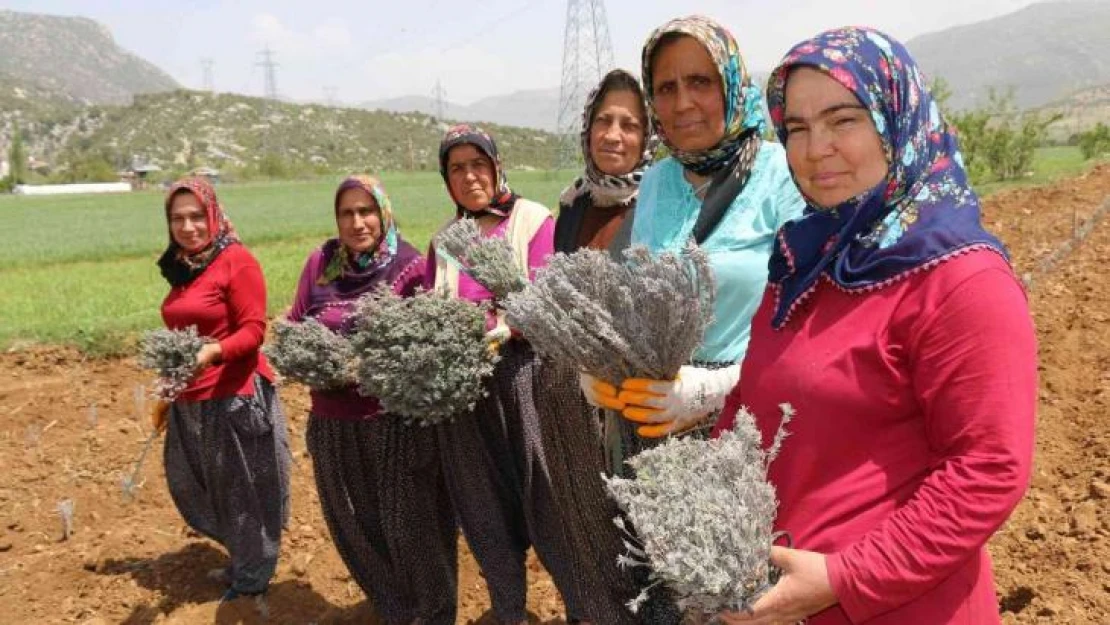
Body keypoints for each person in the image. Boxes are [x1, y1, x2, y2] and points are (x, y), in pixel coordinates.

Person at [713, 27, 1037, 625]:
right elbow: (751, 406)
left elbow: (988, 469)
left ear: (897, 121)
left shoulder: (960, 279)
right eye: (798, 129)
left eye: (844, 120)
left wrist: (843, 578)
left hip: (901, 605)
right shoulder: (804, 264)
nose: (816, 149)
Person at [576, 15, 806, 623]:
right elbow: (629, 290)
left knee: (742, 599)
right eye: (667, 87)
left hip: (746, 435)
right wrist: (600, 365)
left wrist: (716, 388)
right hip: (646, 435)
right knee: (662, 595)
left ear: (731, 85)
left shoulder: (782, 176)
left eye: (699, 82)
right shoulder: (655, 181)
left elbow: (811, 319)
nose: (682, 103)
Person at [426, 124, 586, 625]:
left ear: (496, 167)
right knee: (482, 505)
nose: (470, 176)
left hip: (525, 381)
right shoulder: (445, 241)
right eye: (457, 168)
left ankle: (582, 608)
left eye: (479, 164)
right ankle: (508, 609)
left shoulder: (532, 220)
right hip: (465, 390)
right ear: (446, 179)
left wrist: (494, 326)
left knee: (549, 500)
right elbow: (433, 306)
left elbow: (539, 299)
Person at [286, 175, 457, 625]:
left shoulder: (411, 266)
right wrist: (310, 361)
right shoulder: (321, 263)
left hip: (392, 424)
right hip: (332, 422)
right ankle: (396, 610)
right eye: (347, 213)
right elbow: (295, 323)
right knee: (355, 525)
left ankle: (435, 613)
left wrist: (368, 367)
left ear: (383, 212)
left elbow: (426, 345)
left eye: (366, 211)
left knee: (412, 528)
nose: (358, 222)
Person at [542, 69, 657, 624]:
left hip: (638, 406)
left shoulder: (661, 203)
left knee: (642, 541)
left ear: (648, 135)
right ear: (586, 130)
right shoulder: (572, 207)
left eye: (630, 124)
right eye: (603, 121)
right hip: (572, 401)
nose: (614, 135)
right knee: (585, 529)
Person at [155, 177, 291, 604]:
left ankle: (252, 583)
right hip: (191, 398)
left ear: (213, 214)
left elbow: (254, 332)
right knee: (202, 486)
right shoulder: (183, 266)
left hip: (235, 396)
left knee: (246, 490)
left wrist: (212, 352)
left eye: (196, 216)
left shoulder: (236, 261)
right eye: (178, 218)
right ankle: (242, 560)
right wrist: (168, 388)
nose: (188, 226)